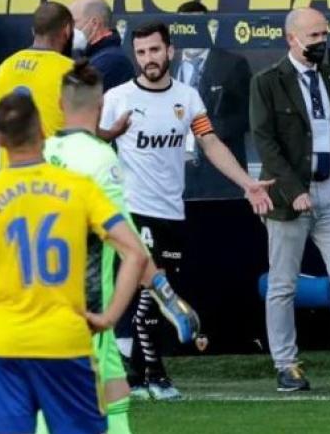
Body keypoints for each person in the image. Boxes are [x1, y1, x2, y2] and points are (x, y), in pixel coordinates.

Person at [0, 91, 148, 434]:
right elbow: (136, 252)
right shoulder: (78, 187)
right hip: (65, 339)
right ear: (41, 132)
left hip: (5, 340)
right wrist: (109, 317)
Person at [100, 20, 273, 399]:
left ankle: (139, 377)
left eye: (155, 51)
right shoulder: (117, 98)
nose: (149, 59)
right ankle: (157, 376)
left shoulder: (187, 97)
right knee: (153, 290)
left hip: (172, 212)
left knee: (157, 293)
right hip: (133, 210)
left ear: (170, 51)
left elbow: (209, 143)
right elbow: (91, 142)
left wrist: (246, 183)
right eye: (142, 52)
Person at [38, 60, 204, 432]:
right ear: (99, 107)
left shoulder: (41, 154)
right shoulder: (100, 160)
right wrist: (166, 295)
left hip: (37, 300)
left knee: (113, 393)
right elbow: (129, 244)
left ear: (61, 105)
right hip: (84, 307)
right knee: (70, 403)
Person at [251, 7, 330, 393]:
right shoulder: (267, 82)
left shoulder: (327, 73)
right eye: (313, 37)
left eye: (324, 35)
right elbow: (266, 142)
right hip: (290, 197)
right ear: (291, 38)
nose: (320, 42)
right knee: (283, 284)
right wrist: (295, 190)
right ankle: (286, 364)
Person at [0, 1, 130, 167]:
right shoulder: (71, 71)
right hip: (54, 180)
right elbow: (86, 132)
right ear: (67, 30)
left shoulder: (3, 68)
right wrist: (114, 132)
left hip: (10, 179)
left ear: (33, 31)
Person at [175, 0, 253, 200]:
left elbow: (247, 117)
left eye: (197, 26)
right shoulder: (165, 66)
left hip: (220, 177)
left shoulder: (232, 65)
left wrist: (205, 132)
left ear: (208, 27)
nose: (192, 32)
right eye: (187, 27)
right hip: (175, 176)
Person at [70, 0, 135, 93]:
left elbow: (77, 98)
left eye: (74, 23)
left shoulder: (113, 61)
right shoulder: (88, 56)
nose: (69, 29)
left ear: (95, 23)